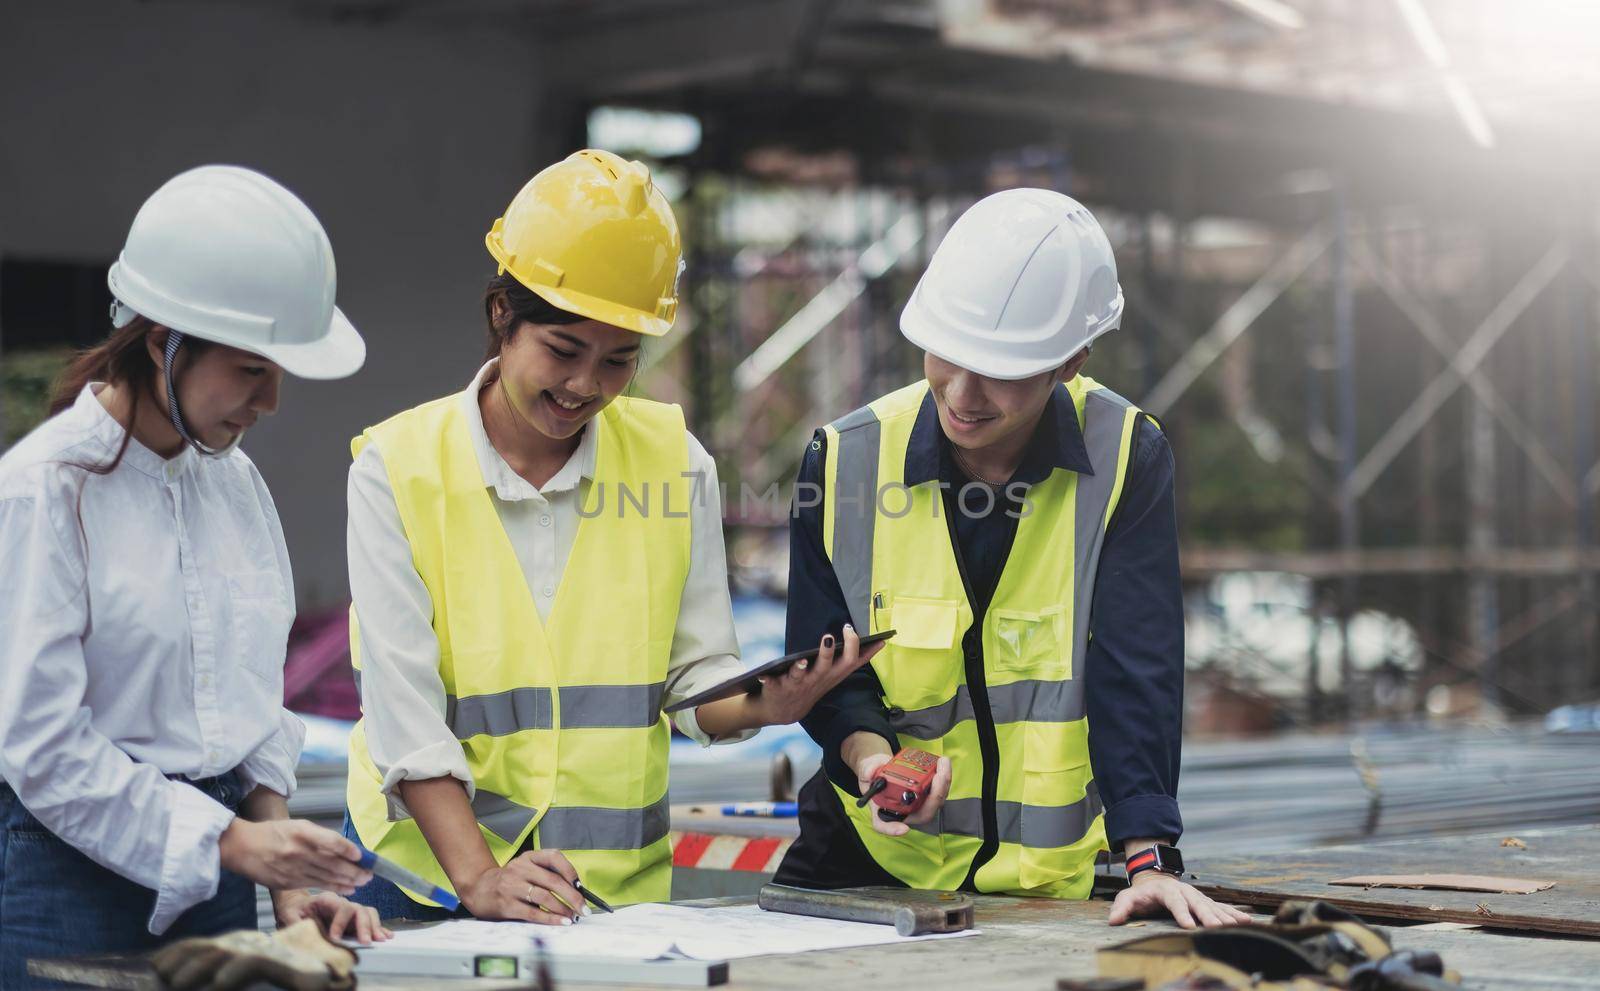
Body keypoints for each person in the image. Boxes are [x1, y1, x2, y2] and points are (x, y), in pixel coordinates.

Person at [342, 149, 868, 925]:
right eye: (562, 350)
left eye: (619, 360)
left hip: (607, 899)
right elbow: (403, 714)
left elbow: (693, 684)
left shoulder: (673, 461)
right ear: (501, 314)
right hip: (422, 882)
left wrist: (764, 702)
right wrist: (481, 878)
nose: (584, 386)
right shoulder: (398, 469)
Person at [773, 188, 1251, 929]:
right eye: (949, 356)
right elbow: (824, 663)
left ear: (1071, 360)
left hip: (1049, 880)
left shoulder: (1126, 456)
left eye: (1001, 369)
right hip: (869, 859)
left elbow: (1137, 670)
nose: (962, 395)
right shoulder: (845, 460)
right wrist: (873, 762)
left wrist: (1149, 860)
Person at [0, 165, 386, 987]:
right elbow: (42, 746)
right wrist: (237, 844)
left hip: (219, 874)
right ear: (160, 343)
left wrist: (284, 879)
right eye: (253, 369)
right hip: (63, 877)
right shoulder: (44, 491)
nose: (273, 400)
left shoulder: (233, 483)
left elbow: (249, 710)